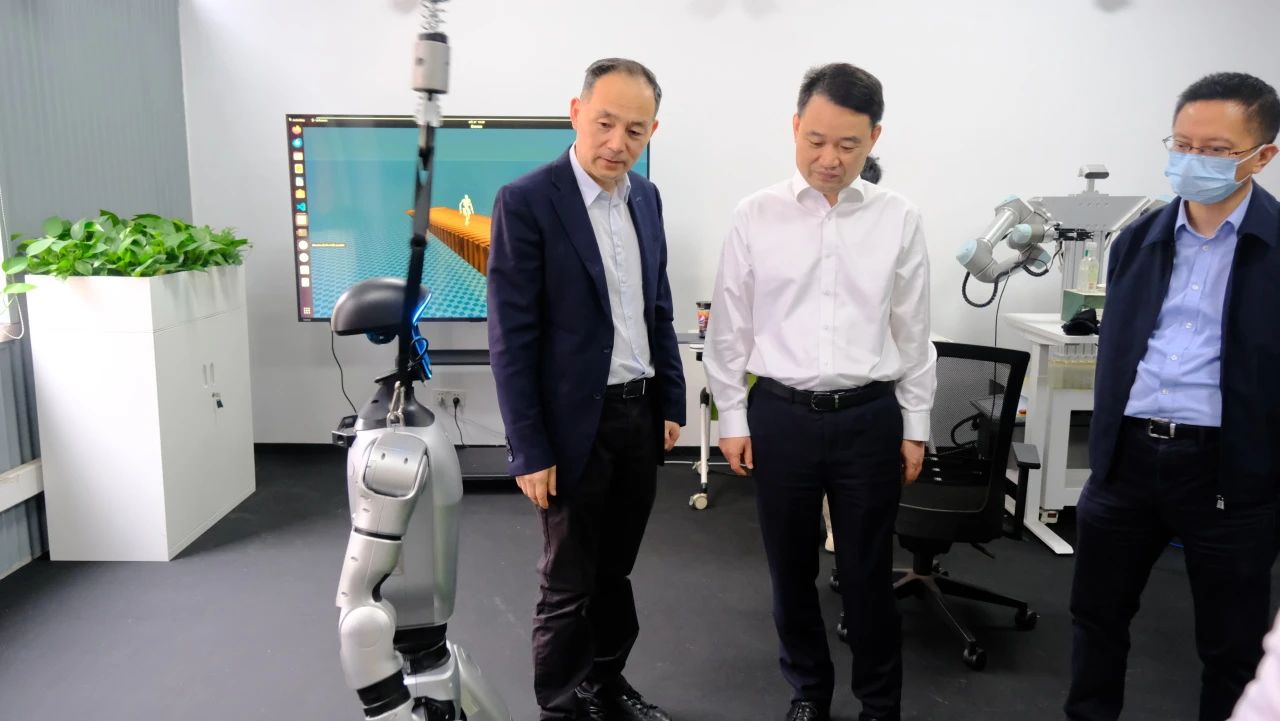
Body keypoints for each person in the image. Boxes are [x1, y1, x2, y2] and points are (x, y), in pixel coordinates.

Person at [704, 63, 935, 721]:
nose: (829, 158)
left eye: (848, 144)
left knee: (867, 573)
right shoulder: (755, 215)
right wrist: (732, 416)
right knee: (790, 570)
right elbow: (730, 326)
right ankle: (808, 690)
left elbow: (914, 330)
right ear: (795, 128)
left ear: (874, 139)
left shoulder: (898, 218)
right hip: (781, 415)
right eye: (816, 140)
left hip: (868, 416)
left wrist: (915, 424)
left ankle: (879, 702)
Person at [1066, 72, 1280, 721]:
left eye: (1215, 150)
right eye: (1182, 144)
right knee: (1095, 619)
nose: (1193, 160)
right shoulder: (1139, 240)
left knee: (1232, 645)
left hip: (1229, 470)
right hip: (1127, 461)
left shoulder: (1274, 245)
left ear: (1262, 155)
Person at [486, 58, 685, 721]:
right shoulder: (527, 201)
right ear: (576, 113)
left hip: (638, 415)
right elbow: (511, 338)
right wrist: (528, 446)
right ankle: (563, 707)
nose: (616, 143)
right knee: (568, 581)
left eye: (634, 130)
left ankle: (605, 683)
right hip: (571, 428)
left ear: (652, 131)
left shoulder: (646, 198)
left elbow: (658, 307)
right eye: (604, 123)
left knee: (614, 571)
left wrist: (671, 401)